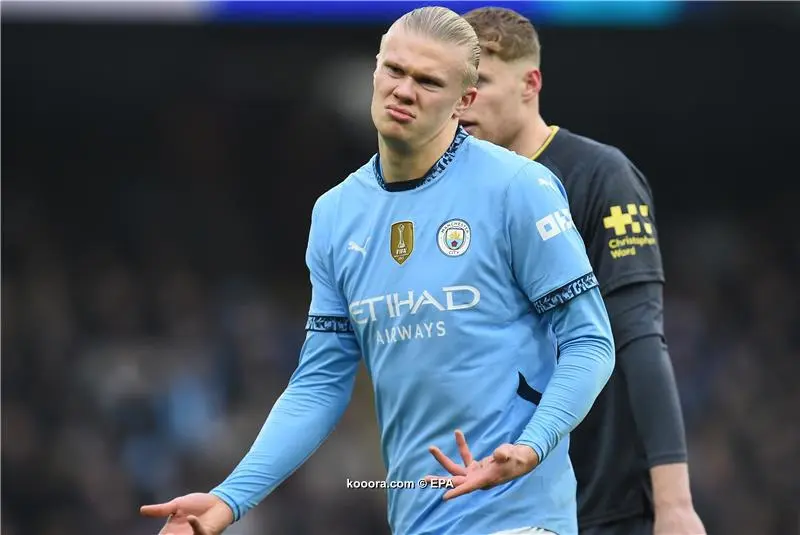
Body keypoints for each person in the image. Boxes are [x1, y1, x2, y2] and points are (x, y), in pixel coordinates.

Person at [141, 6, 615, 535]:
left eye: (428, 81)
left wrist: (532, 445)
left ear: (464, 100)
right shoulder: (337, 214)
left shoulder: (517, 188)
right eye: (395, 70)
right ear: (375, 71)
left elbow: (591, 341)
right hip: (416, 520)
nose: (404, 90)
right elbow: (320, 384)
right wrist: (228, 500)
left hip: (519, 518)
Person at [460, 7, 706, 535]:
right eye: (457, 84)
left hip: (599, 502)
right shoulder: (452, 194)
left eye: (479, 82)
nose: (464, 100)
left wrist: (675, 504)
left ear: (531, 83)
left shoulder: (600, 176)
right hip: (489, 503)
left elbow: (638, 336)